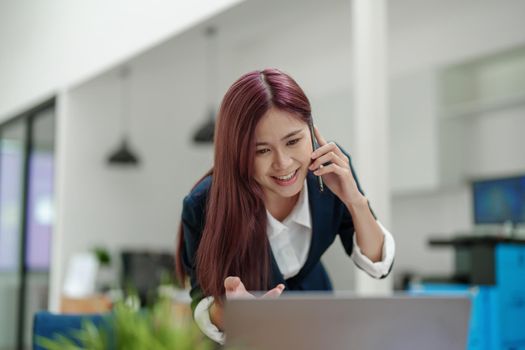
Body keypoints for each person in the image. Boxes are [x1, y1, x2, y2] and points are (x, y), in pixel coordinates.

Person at [175, 68, 395, 344]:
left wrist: (355, 200)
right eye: (261, 150)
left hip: (320, 328)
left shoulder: (331, 172)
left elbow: (377, 264)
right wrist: (232, 310)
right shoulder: (204, 203)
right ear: (237, 152)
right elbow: (201, 304)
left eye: (293, 141)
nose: (283, 163)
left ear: (312, 131)